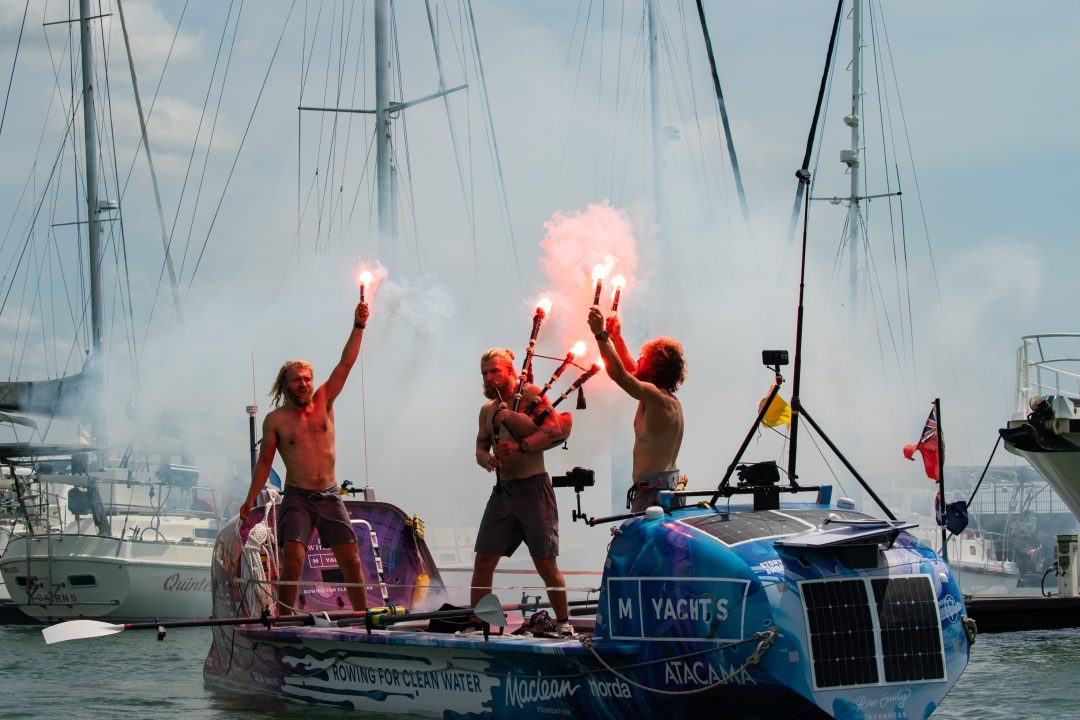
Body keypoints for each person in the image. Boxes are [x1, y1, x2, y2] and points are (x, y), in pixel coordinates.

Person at [240, 301, 370, 613]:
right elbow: (265, 463)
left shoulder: (324, 400)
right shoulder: (276, 420)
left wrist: (359, 325)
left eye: (307, 378)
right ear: (285, 385)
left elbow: (346, 363)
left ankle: (362, 616)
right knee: (294, 559)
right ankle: (285, 618)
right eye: (297, 379)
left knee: (351, 559)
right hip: (297, 497)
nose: (304, 384)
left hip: (329, 494)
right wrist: (249, 499)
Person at [473, 348, 575, 635]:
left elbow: (555, 428)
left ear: (509, 370)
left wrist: (522, 446)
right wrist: (485, 459)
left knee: (545, 562)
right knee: (483, 560)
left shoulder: (530, 394)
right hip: (503, 491)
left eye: (494, 371)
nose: (488, 377)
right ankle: (478, 624)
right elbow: (480, 445)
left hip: (534, 489)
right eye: (484, 373)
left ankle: (564, 623)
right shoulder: (487, 410)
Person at [587, 307, 686, 512]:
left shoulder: (658, 398)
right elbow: (632, 371)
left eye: (643, 358)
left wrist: (600, 334)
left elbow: (622, 376)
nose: (638, 360)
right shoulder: (662, 399)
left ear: (654, 368)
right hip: (661, 489)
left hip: (654, 494)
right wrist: (616, 338)